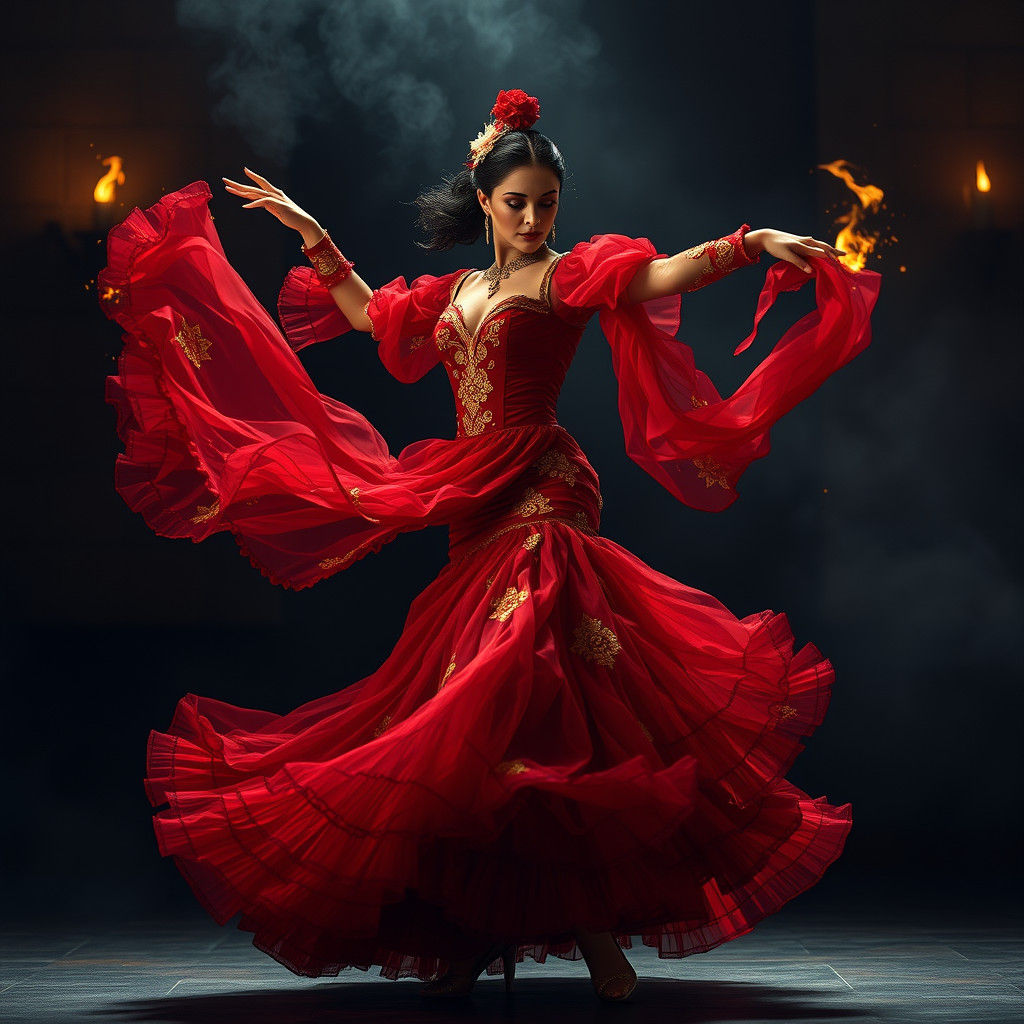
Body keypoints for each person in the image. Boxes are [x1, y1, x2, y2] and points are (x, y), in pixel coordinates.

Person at [98, 88, 879, 1002]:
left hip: (541, 490)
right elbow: (362, 313)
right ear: (484, 197)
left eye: (548, 202)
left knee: (528, 674)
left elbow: (661, 274)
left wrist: (752, 246)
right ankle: (478, 925)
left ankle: (595, 939)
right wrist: (311, 230)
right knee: (476, 718)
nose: (536, 217)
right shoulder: (456, 291)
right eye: (519, 202)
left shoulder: (565, 277)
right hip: (468, 498)